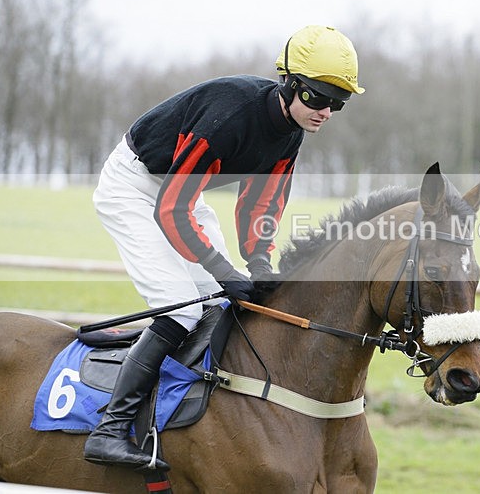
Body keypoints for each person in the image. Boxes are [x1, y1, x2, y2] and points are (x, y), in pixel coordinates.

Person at [83, 25, 365, 471]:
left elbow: (261, 204)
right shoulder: (230, 114)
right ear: (289, 84)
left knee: (221, 304)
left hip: (180, 193)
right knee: (181, 309)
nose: (327, 112)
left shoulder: (291, 132)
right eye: (319, 98)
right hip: (134, 189)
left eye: (339, 103)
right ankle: (109, 431)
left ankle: (191, 407)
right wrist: (222, 269)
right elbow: (170, 209)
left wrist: (259, 263)